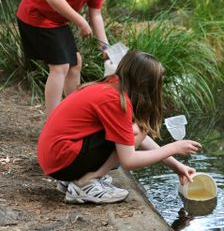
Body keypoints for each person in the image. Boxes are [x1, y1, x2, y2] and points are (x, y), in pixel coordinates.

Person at [37, 50, 202, 204]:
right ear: (145, 82)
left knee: (135, 131)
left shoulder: (110, 85)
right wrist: (173, 147)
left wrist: (177, 167)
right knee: (137, 130)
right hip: (61, 159)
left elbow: (136, 138)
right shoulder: (116, 100)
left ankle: (75, 179)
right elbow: (129, 160)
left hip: (54, 157)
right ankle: (85, 184)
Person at [16, 0, 120, 116]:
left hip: (56, 20)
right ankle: (53, 124)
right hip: (35, 15)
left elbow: (96, 14)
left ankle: (71, 117)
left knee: (75, 63)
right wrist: (81, 22)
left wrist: (105, 48)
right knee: (61, 66)